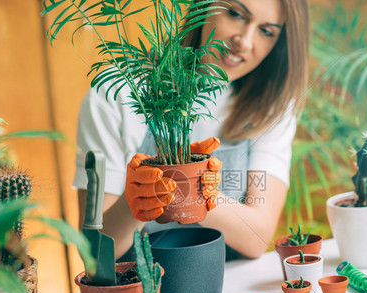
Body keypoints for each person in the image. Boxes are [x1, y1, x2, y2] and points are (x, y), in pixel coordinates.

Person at [74, 0, 310, 260]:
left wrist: (187, 187)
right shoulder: (117, 92)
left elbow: (257, 237)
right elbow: (95, 253)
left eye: (267, 31)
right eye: (235, 14)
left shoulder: (270, 107)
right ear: (203, 6)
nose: (245, 41)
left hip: (230, 290)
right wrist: (138, 200)